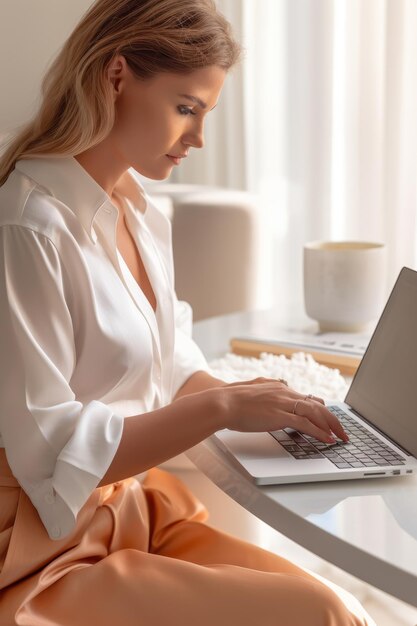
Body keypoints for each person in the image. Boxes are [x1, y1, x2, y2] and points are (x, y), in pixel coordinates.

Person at [0, 1, 374, 624]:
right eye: (185, 108)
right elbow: (45, 452)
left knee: (340, 607)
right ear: (116, 77)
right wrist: (222, 407)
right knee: (317, 615)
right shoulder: (27, 227)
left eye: (206, 113)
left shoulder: (140, 208)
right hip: (40, 546)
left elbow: (171, 357)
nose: (198, 137)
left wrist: (267, 408)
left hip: (129, 511)